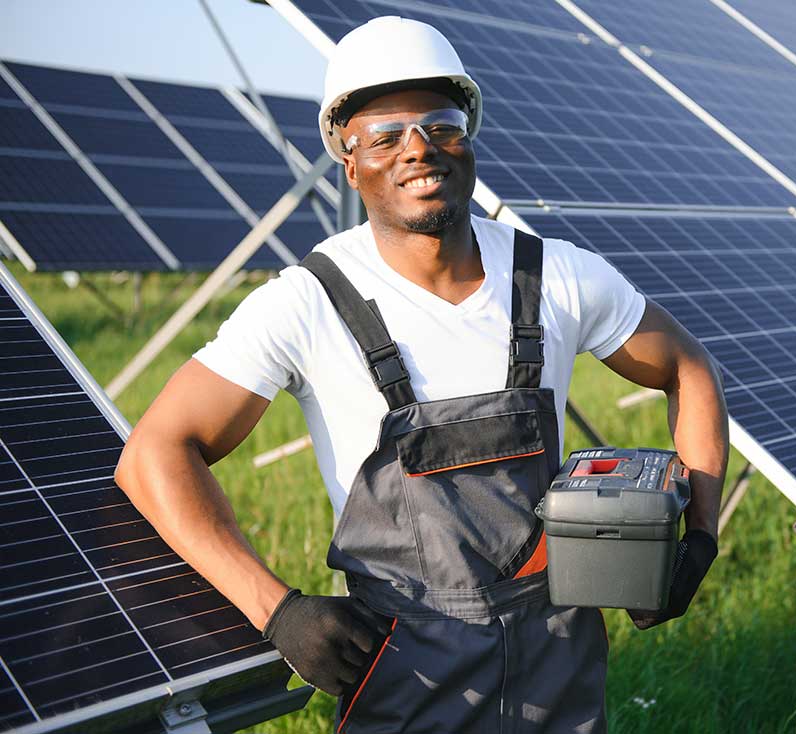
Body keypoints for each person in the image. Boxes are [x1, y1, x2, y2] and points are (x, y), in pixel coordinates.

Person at [115, 15, 728, 734]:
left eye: (440, 125)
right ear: (349, 160)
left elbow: (689, 369)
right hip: (405, 677)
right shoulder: (307, 303)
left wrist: (702, 534)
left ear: (468, 134)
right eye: (384, 136)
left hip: (560, 670)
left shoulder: (557, 274)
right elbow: (154, 452)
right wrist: (276, 610)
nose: (419, 151)